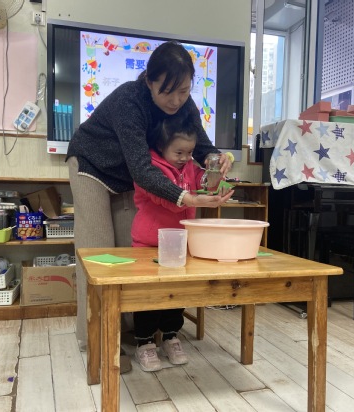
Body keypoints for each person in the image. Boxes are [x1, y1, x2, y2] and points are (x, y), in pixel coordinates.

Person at [66, 40, 234, 372]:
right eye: (167, 92)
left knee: (131, 258)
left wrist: (218, 159)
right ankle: (95, 339)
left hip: (129, 176)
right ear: (148, 80)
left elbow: (202, 146)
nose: (176, 100)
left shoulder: (185, 105)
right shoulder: (129, 101)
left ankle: (134, 332)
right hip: (92, 166)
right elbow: (143, 169)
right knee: (97, 254)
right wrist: (185, 198)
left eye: (183, 91)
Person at [131, 115, 205, 371]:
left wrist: (214, 175)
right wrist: (194, 199)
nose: (185, 158)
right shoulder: (149, 168)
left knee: (177, 292)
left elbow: (202, 182)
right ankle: (144, 342)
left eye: (190, 152)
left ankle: (171, 336)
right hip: (148, 243)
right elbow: (168, 200)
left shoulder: (190, 166)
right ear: (161, 147)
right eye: (179, 152)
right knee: (149, 294)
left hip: (179, 242)